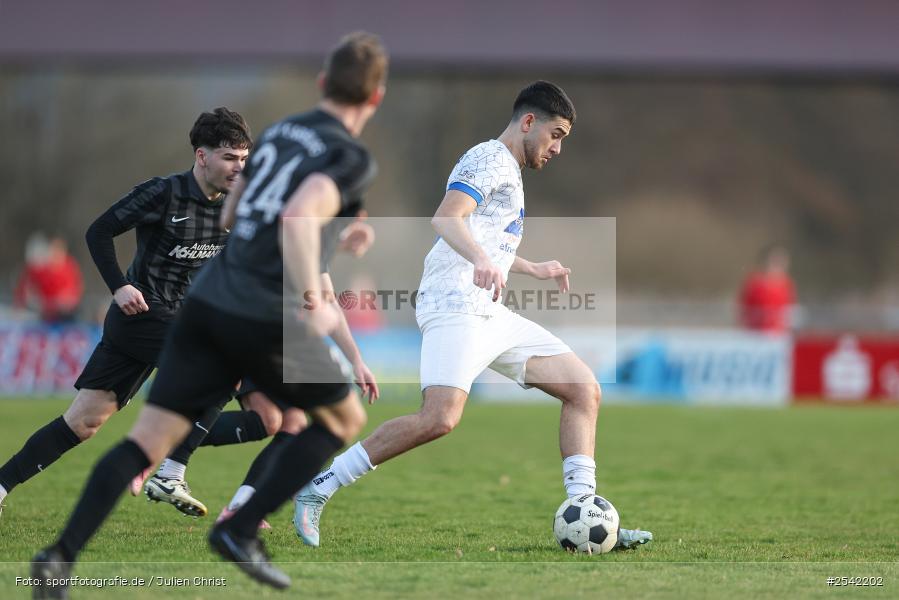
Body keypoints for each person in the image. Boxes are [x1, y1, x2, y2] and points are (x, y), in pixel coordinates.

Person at [31, 31, 388, 595]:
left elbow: (230, 219)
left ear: (322, 83)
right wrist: (316, 299)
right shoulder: (349, 156)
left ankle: (58, 558)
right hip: (260, 311)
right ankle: (240, 528)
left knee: (142, 441)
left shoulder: (277, 135)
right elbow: (298, 218)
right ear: (375, 98)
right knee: (340, 420)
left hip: (204, 305)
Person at [293, 81, 653, 550]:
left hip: (488, 309)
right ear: (529, 122)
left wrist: (527, 266)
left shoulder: (509, 168)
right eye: (556, 134)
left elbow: (486, 239)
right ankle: (319, 487)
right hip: (454, 304)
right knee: (439, 419)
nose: (558, 147)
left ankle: (584, 513)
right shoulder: (488, 159)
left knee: (583, 389)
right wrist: (483, 261)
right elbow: (446, 218)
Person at [0, 108, 253, 519]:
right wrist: (119, 285)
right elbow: (98, 231)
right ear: (202, 156)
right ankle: (170, 471)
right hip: (140, 316)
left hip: (175, 322)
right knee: (224, 363)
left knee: (83, 422)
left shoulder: (237, 206)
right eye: (229, 157)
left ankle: (0, 483)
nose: (238, 167)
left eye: (244, 159)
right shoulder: (163, 193)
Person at [145, 214, 379, 524]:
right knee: (298, 421)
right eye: (354, 214)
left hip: (263, 332)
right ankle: (161, 451)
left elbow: (326, 300)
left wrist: (356, 360)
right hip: (251, 330)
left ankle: (233, 501)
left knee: (277, 421)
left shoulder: (313, 237)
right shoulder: (298, 227)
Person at [14, 234, 84, 324]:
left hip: (65, 313)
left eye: (59, 250)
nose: (56, 253)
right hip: (44, 313)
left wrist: (66, 300)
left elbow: (76, 290)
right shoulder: (41, 268)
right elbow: (25, 285)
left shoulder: (70, 266)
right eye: (54, 250)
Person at [738, 244, 797, 332]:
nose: (778, 266)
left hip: (778, 333)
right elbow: (744, 308)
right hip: (756, 332)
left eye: (781, 262)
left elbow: (789, 309)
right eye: (775, 262)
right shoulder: (755, 282)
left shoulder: (787, 284)